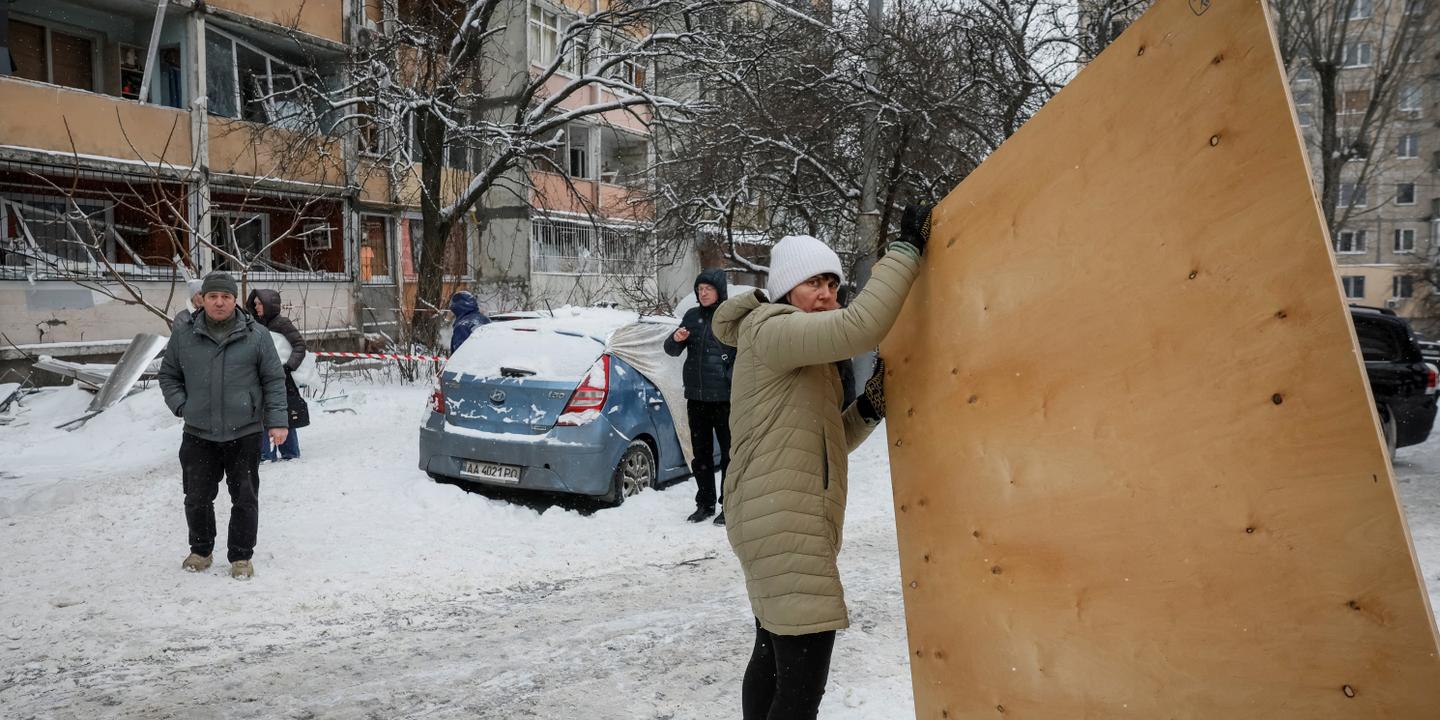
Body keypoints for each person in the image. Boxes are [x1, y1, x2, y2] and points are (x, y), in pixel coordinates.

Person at [711, 205, 932, 719]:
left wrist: (868, 409)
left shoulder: (797, 356)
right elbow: (860, 327)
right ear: (786, 291)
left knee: (774, 654)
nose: (828, 294)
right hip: (783, 521)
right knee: (801, 679)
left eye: (833, 283)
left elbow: (823, 445)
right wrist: (905, 251)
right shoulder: (773, 330)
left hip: (773, 515)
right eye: (814, 283)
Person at [158, 271, 288, 580]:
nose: (219, 302)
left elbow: (273, 380)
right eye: (213, 296)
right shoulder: (184, 334)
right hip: (198, 433)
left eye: (226, 296)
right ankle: (201, 550)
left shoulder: (257, 335)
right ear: (202, 299)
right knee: (197, 497)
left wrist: (278, 421)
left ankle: (241, 556)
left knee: (244, 498)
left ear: (234, 300)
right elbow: (169, 375)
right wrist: (182, 405)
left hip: (244, 431)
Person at [664, 269, 736, 525]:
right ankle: (705, 503)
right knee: (701, 455)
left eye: (708, 289)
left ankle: (729, 505)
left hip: (725, 399)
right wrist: (676, 338)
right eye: (700, 289)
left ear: (719, 291)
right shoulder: (691, 316)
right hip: (696, 398)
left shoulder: (731, 317)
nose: (703, 293)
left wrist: (730, 376)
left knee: (730, 455)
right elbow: (671, 350)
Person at [247, 288, 307, 461]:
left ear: (268, 304)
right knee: (262, 413)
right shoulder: (253, 325)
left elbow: (299, 345)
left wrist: (288, 367)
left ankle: (290, 452)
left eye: (260, 303)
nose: (256, 307)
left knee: (284, 413)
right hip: (260, 376)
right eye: (255, 304)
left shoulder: (282, 323)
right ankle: (266, 454)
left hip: (283, 378)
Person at [449, 290, 490, 354]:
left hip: (473, 360)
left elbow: (460, 354)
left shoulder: (462, 327)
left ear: (457, 309)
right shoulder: (485, 319)